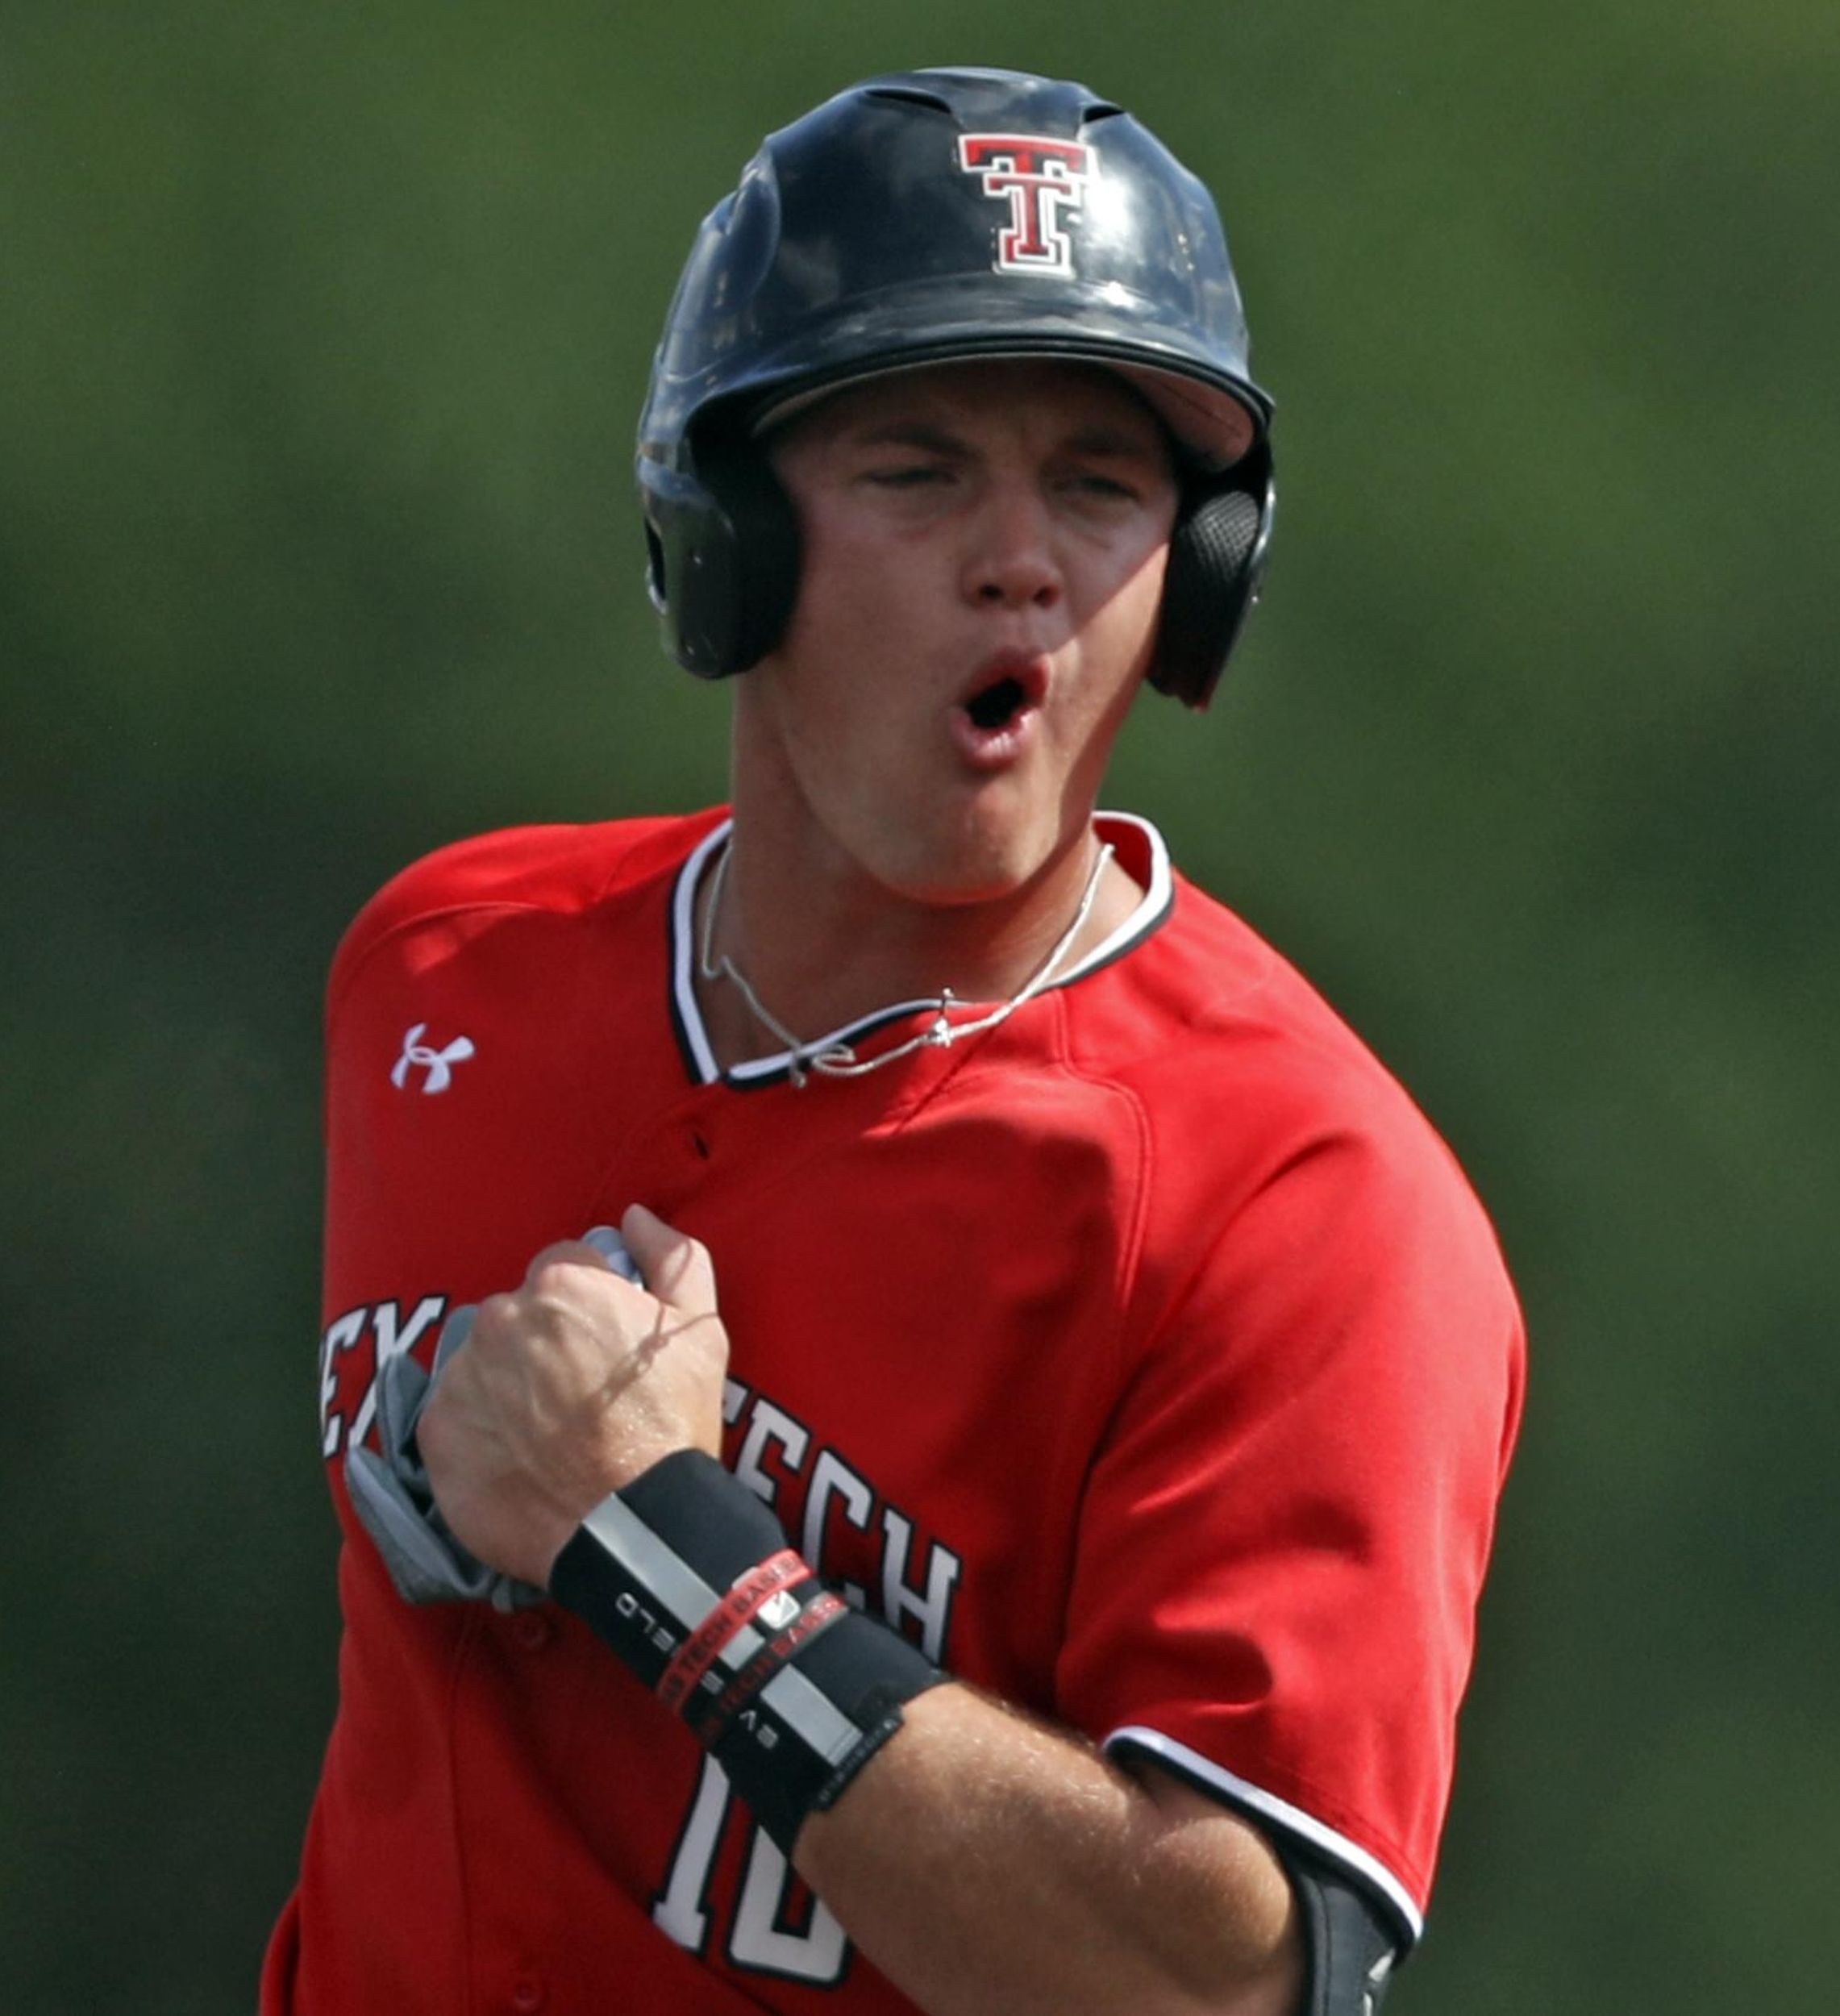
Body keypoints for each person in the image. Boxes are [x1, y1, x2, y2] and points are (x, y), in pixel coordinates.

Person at [264, 65, 1525, 2016]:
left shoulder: (1305, 1204)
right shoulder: (443, 972)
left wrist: (670, 1557)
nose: (1018, 556)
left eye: (1100, 484)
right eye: (916, 465)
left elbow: (1222, 1992)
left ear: (1190, 583)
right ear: (727, 535)